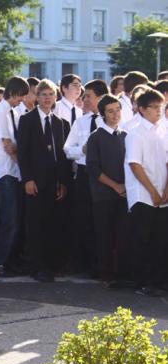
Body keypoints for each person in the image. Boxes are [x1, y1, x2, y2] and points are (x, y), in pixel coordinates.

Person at [17, 79, 71, 283]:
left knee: (52, 223)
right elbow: (22, 153)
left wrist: (63, 182)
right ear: (36, 97)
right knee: (34, 224)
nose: (47, 98)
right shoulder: (27, 120)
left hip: (54, 181)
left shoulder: (61, 123)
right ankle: (36, 266)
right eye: (43, 94)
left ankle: (51, 264)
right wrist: (28, 179)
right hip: (35, 181)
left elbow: (63, 157)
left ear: (55, 97)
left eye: (51, 95)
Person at [124, 88, 168, 297]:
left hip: (162, 193)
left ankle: (159, 280)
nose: (159, 111)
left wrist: (165, 189)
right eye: (154, 107)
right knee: (143, 240)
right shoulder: (135, 133)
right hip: (143, 194)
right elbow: (135, 165)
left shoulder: (164, 130)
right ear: (142, 109)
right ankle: (143, 282)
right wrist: (152, 191)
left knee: (161, 240)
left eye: (161, 107)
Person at [63, 79, 109, 277]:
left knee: (102, 220)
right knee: (82, 219)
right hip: (83, 174)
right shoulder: (81, 121)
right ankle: (84, 262)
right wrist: (81, 151)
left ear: (100, 97)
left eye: (88, 95)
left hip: (104, 175)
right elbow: (67, 149)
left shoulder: (110, 121)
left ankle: (102, 265)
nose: (84, 99)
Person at [85, 94, 129, 286]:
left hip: (124, 195)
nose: (115, 114)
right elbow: (93, 169)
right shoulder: (95, 137)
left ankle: (121, 274)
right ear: (102, 114)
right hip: (103, 195)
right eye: (110, 111)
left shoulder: (125, 135)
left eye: (118, 110)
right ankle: (105, 273)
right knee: (104, 235)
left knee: (122, 235)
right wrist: (115, 185)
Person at [0, 76, 29, 270]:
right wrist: (23, 166)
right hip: (5, 170)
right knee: (9, 219)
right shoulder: (1, 112)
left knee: (14, 219)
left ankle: (10, 258)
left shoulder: (10, 111)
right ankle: (2, 261)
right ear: (14, 92)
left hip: (11, 171)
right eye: (20, 95)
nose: (22, 100)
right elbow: (8, 145)